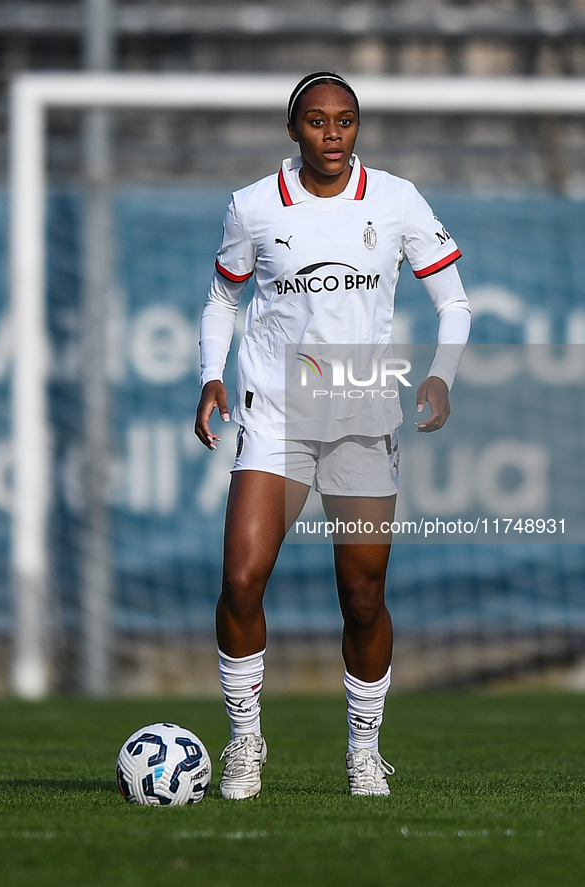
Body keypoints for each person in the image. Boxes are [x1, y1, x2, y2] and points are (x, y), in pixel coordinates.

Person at [195, 72, 471, 799]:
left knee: (361, 597)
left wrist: (440, 374)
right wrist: (209, 374)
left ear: (357, 128)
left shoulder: (396, 199)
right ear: (292, 129)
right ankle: (246, 741)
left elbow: (454, 302)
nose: (331, 134)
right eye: (316, 121)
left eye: (344, 121)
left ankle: (362, 746)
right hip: (276, 413)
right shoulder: (252, 206)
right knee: (241, 577)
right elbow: (223, 296)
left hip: (358, 411)